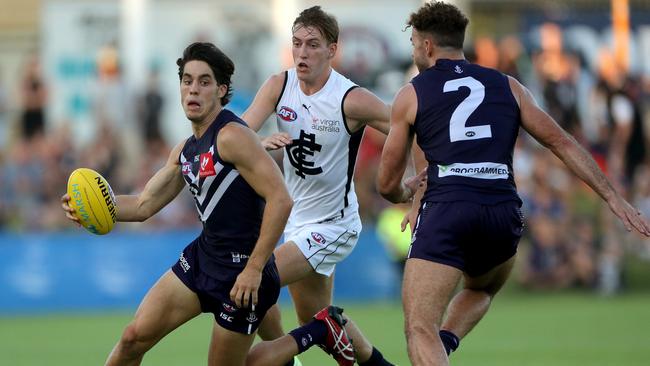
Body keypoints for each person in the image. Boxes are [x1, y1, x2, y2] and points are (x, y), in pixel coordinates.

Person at [376, 2, 650, 366]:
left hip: (449, 210)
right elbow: (562, 142)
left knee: (418, 330)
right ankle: (445, 345)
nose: (413, 51)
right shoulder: (509, 85)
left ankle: (434, 347)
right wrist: (613, 197)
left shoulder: (411, 93)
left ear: (426, 46)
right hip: (502, 212)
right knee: (483, 287)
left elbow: (386, 183)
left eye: (413, 43)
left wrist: (406, 192)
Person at [60, 42, 344, 366]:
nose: (193, 89)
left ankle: (318, 330)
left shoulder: (233, 136)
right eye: (187, 80)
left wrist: (253, 269)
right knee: (132, 339)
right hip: (203, 259)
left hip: (242, 273)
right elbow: (142, 206)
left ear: (221, 90)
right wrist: (90, 210)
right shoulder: (186, 150)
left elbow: (281, 200)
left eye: (204, 82)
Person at [239, 6, 414, 366]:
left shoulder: (351, 99)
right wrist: (258, 143)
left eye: (313, 45)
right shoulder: (279, 86)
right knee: (317, 321)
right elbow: (237, 135)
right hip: (294, 222)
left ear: (333, 50)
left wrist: (415, 183)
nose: (302, 53)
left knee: (254, 283)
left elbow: (408, 126)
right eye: (297, 43)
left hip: (333, 225)